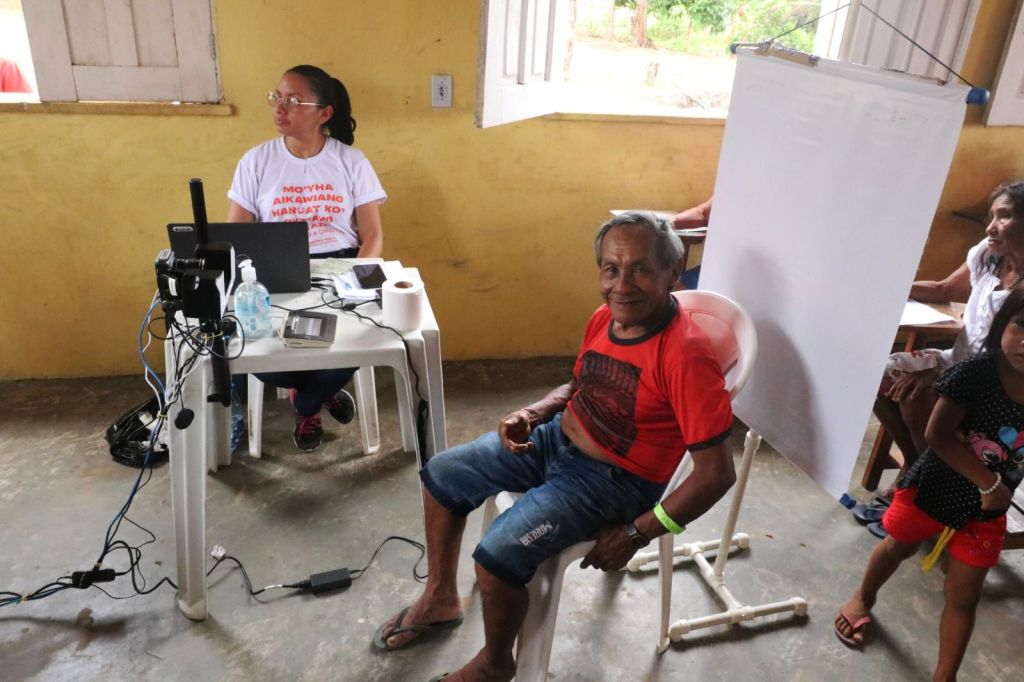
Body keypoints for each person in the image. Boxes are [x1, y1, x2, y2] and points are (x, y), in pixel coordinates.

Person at [373, 212, 737, 682]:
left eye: (640, 269)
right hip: (554, 441)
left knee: (497, 556)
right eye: (611, 269)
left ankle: (495, 665)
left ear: (674, 270)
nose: (622, 285)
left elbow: (716, 475)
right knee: (443, 474)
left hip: (612, 482)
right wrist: (535, 412)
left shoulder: (686, 355)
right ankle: (441, 596)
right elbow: (581, 383)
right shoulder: (606, 317)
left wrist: (638, 533)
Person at [835, 287, 1024, 681]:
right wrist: (989, 484)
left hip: (985, 512)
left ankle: (944, 676)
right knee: (896, 547)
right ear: (1002, 324)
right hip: (934, 490)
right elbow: (936, 434)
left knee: (964, 597)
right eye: (1022, 326)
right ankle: (862, 597)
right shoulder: (976, 372)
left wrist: (991, 493)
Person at [227, 64, 387, 451]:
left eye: (294, 101)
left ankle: (307, 404)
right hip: (275, 273)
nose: (280, 108)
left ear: (324, 113)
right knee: (258, 355)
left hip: (341, 266)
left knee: (364, 337)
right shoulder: (256, 161)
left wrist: (354, 280)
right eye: (277, 97)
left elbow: (373, 235)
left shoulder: (351, 161)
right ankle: (321, 392)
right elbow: (235, 236)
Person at [871, 182, 1024, 505]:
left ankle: (932, 487)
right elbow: (944, 289)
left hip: (994, 382)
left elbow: (1005, 358)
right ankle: (917, 464)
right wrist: (886, 288)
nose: (990, 227)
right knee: (876, 373)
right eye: (991, 216)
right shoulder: (989, 254)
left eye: (1004, 216)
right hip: (958, 359)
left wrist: (939, 377)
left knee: (917, 397)